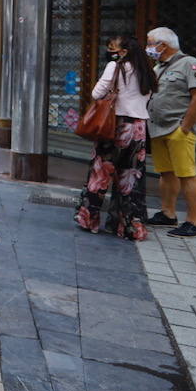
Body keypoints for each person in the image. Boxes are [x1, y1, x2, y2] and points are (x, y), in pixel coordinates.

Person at [74, 34, 156, 240]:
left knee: (100, 174)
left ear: (124, 51)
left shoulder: (116, 67)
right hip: (138, 128)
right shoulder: (147, 69)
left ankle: (89, 219)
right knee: (129, 179)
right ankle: (128, 227)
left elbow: (96, 93)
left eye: (113, 48)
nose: (110, 51)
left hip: (115, 126)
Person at [145, 27, 196, 238]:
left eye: (150, 43)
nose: (148, 47)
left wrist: (184, 128)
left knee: (187, 175)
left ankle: (194, 222)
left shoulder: (190, 64)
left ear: (163, 45)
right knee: (166, 172)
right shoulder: (158, 67)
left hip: (178, 129)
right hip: (158, 129)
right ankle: (168, 213)